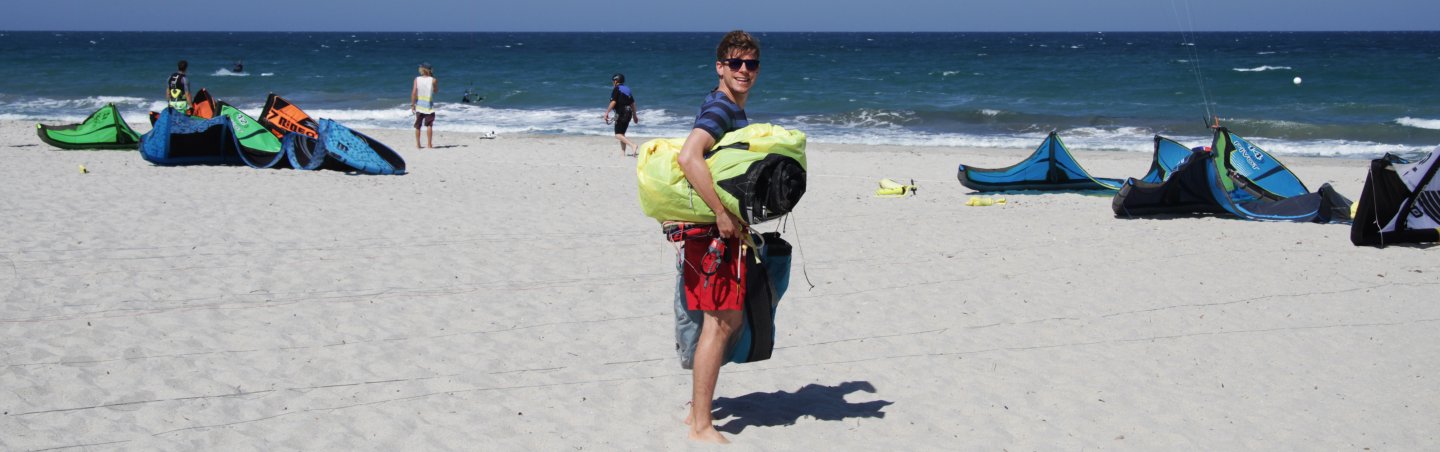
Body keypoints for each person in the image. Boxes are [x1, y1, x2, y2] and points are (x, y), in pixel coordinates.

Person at [672, 30, 760, 444]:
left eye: (752, 64)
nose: (744, 71)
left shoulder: (722, 103)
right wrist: (723, 215)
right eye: (736, 63)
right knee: (721, 323)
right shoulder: (721, 107)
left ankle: (695, 411)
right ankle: (702, 425)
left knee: (721, 320)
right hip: (713, 234)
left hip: (712, 232)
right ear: (720, 67)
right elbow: (689, 156)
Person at [604, 73, 639, 156]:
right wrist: (634, 115)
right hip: (629, 112)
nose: (613, 83)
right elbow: (633, 103)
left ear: (616, 81)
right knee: (622, 134)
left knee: (617, 135)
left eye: (613, 81)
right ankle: (622, 153)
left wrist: (607, 113)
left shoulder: (617, 89)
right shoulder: (627, 89)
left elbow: (613, 101)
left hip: (621, 112)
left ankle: (633, 145)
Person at [410, 62, 439, 148]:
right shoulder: (433, 80)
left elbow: (414, 92)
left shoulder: (417, 79)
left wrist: (412, 104)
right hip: (429, 106)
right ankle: (429, 144)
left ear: (422, 69)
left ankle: (418, 144)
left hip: (419, 105)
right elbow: (435, 91)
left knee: (418, 126)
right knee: (429, 125)